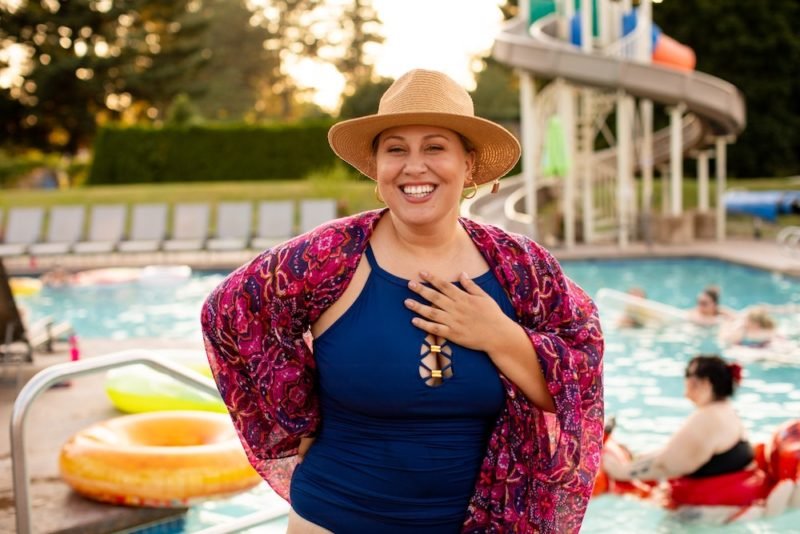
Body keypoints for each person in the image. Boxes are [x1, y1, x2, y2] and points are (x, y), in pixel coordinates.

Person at [201, 69, 604, 533]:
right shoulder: (328, 257)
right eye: (396, 149)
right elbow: (228, 311)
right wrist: (299, 418)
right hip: (334, 519)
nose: (414, 167)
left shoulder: (522, 268)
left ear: (468, 163)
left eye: (434, 147)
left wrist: (498, 335)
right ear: (377, 166)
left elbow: (578, 384)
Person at [602, 354, 796, 520]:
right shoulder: (724, 410)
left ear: (703, 383)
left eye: (687, 375)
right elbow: (674, 454)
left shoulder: (707, 419)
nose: (685, 381)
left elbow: (668, 465)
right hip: (743, 497)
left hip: (713, 511)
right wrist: (639, 458)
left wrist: (621, 471)